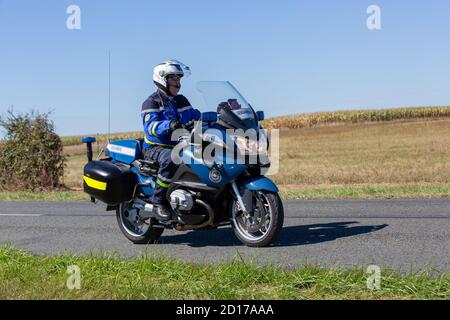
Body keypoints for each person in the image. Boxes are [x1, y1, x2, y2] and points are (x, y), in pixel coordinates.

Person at [141, 60, 201, 221]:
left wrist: (219, 114)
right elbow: (150, 127)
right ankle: (158, 201)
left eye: (179, 79)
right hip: (156, 147)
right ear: (162, 79)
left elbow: (195, 117)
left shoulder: (181, 101)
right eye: (174, 79)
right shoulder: (151, 102)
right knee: (172, 158)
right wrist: (169, 125)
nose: (178, 83)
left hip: (182, 144)